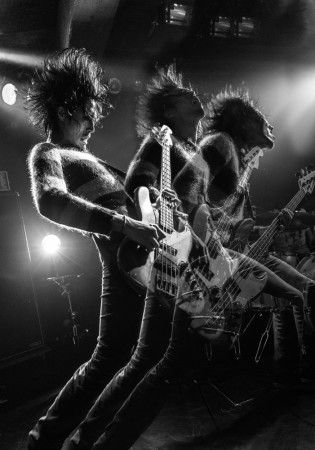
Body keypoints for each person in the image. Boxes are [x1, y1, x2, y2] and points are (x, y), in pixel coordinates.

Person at [26, 48, 164, 450]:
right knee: (115, 358)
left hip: (144, 261)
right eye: (87, 113)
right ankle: (45, 441)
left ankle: (79, 441)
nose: (91, 123)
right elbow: (49, 200)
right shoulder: (48, 153)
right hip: (121, 260)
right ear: (67, 108)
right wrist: (124, 225)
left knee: (134, 357)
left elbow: (140, 200)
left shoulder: (91, 157)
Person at [65, 65, 207, 449]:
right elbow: (137, 189)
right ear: (168, 112)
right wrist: (153, 213)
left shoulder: (193, 152)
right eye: (183, 94)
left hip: (181, 254)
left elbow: (193, 211)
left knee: (160, 356)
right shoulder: (159, 145)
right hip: (158, 252)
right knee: (148, 356)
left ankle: (98, 439)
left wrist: (193, 226)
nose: (194, 95)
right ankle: (90, 440)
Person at [186, 88, 315, 384]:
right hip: (224, 257)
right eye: (262, 122)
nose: (269, 127)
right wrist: (209, 246)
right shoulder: (219, 145)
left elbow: (243, 227)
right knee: (291, 297)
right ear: (244, 124)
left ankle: (294, 367)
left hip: (249, 252)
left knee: (302, 291)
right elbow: (193, 198)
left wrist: (274, 225)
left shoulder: (240, 177)